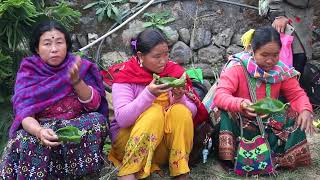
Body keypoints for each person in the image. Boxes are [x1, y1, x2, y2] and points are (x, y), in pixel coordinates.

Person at [0, 20, 108, 179]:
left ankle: (80, 172)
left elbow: (95, 106)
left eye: (59, 42)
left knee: (97, 121)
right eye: (47, 44)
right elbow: (24, 114)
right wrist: (40, 131)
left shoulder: (78, 66)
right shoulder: (29, 71)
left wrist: (77, 81)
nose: (54, 49)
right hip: (41, 129)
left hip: (73, 128)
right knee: (22, 139)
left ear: (67, 45)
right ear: (37, 48)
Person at [108, 28, 208, 180]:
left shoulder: (173, 72)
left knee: (180, 111)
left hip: (162, 147)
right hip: (130, 143)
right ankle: (129, 171)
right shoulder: (126, 75)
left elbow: (193, 112)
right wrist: (148, 94)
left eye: (166, 54)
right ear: (140, 56)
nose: (164, 61)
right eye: (157, 57)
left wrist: (179, 98)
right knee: (154, 112)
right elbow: (122, 118)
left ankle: (180, 170)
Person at [213, 26, 314, 172]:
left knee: (295, 114)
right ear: (252, 51)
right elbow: (220, 95)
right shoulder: (237, 67)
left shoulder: (280, 71)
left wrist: (305, 110)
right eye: (264, 55)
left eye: (275, 55)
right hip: (241, 120)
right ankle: (231, 158)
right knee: (224, 112)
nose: (270, 61)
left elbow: (297, 95)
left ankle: (281, 158)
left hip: (267, 121)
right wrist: (240, 103)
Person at [259, 0, 314, 77]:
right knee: (291, 61)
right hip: (286, 15)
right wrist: (278, 14)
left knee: (300, 60)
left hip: (303, 16)